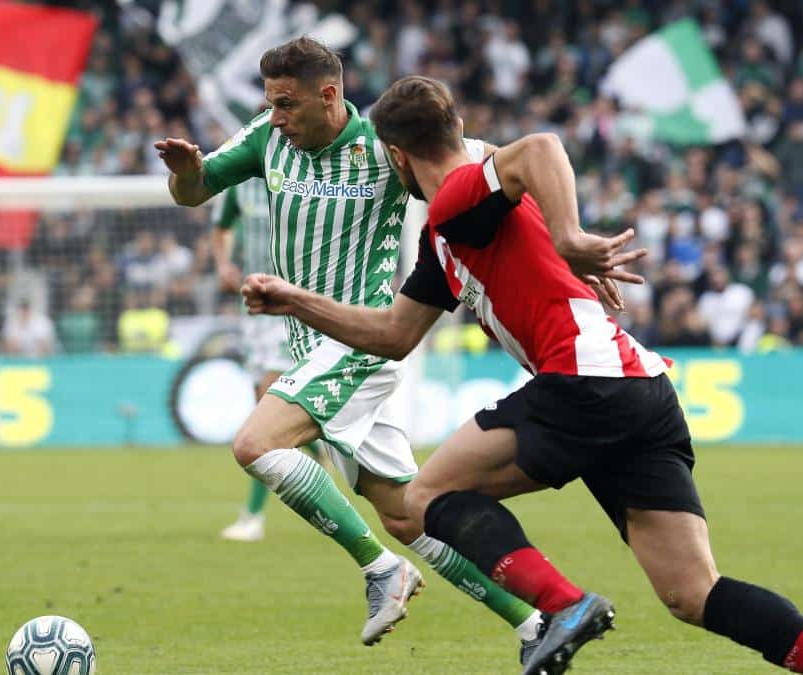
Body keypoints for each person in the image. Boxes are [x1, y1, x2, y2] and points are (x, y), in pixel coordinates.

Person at [241, 75, 803, 675]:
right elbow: (391, 334)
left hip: (586, 380)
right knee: (692, 592)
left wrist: (568, 235)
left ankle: (564, 605)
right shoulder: (448, 234)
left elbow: (540, 148)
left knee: (427, 495)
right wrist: (295, 297)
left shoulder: (461, 193)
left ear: (397, 155)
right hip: (638, 390)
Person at [154, 37, 625, 658]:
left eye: (287, 104)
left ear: (329, 95)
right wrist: (186, 174)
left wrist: (569, 245)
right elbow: (194, 192)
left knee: (255, 442)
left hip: (361, 339)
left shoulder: (387, 145)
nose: (276, 117)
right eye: (270, 104)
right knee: (407, 513)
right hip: (306, 347)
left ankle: (381, 571)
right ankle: (535, 621)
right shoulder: (266, 138)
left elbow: (511, 170)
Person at [211, 176, 326, 542]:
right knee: (264, 407)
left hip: (291, 305)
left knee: (265, 410)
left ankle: (252, 517)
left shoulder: (306, 175)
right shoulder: (240, 184)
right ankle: (320, 445)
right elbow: (221, 227)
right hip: (253, 310)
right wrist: (223, 265)